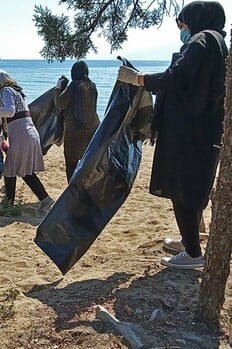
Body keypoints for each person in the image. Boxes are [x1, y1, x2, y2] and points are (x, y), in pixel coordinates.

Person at [117, 1, 228, 270]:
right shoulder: (219, 44)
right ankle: (189, 240)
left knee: (182, 190)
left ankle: (192, 253)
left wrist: (139, 79)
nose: (183, 30)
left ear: (196, 18)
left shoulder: (201, 40)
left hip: (188, 134)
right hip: (204, 132)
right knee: (193, 187)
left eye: (183, 24)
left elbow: (175, 77)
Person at [0, 70, 54, 210]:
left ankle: (9, 202)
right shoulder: (16, 92)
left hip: (22, 135)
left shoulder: (7, 91)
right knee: (23, 170)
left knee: (11, 169)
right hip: (27, 134)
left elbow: (9, 111)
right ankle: (44, 199)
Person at [53, 61, 100, 182]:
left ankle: (72, 192)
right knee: (87, 163)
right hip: (93, 129)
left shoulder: (74, 85)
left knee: (71, 163)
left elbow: (60, 103)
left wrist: (58, 88)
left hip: (76, 131)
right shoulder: (93, 86)